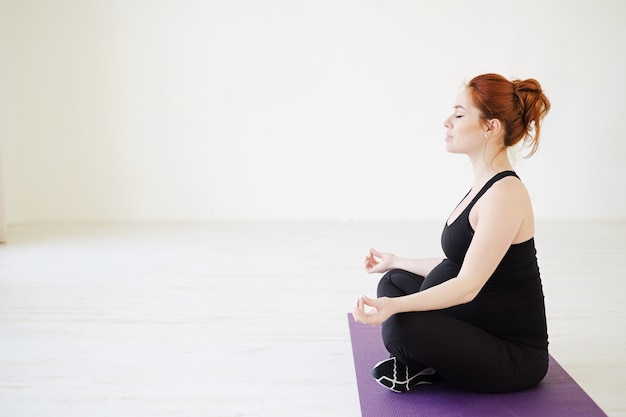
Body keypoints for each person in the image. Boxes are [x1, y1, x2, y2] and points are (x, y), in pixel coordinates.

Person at [352, 73, 551, 394]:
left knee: (401, 326)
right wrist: (395, 260)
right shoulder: (484, 184)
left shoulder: (505, 194)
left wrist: (396, 308)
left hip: (513, 355)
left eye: (459, 114)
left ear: (490, 127)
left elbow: (467, 285)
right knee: (394, 281)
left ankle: (421, 363)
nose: (447, 121)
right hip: (480, 319)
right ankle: (428, 358)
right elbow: (457, 263)